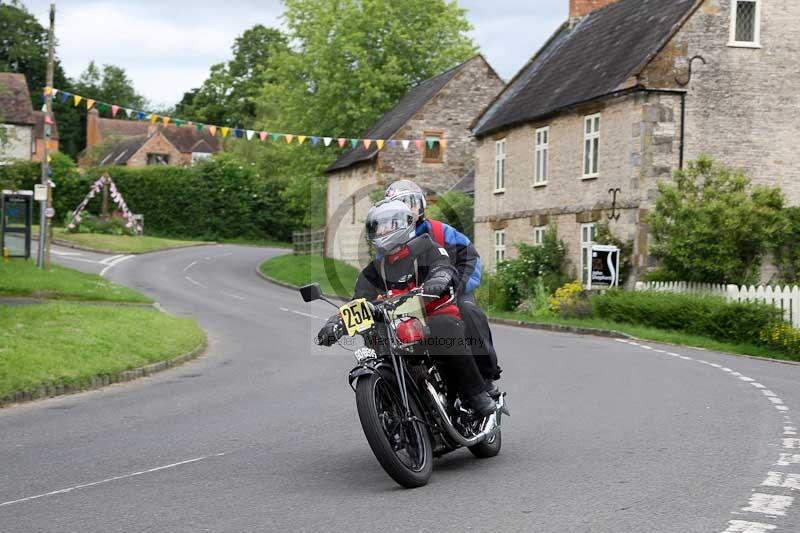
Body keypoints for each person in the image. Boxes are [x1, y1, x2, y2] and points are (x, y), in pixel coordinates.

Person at [317, 199, 496, 417]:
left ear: (405, 224)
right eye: (377, 227)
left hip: (432, 317)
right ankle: (390, 408)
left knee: (445, 326)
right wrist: (336, 322)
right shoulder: (372, 271)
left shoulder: (428, 248)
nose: (381, 231)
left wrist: (438, 279)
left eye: (387, 225)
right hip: (395, 329)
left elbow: (444, 268)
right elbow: (358, 302)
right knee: (375, 344)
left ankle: (475, 393)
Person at [384, 180, 501, 395]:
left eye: (411, 202)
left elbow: (470, 259)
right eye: (398, 204)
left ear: (420, 206)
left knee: (469, 312)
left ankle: (485, 377)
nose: (407, 208)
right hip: (410, 301)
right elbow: (380, 278)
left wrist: (458, 286)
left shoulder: (441, 231)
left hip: (450, 293)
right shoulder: (387, 244)